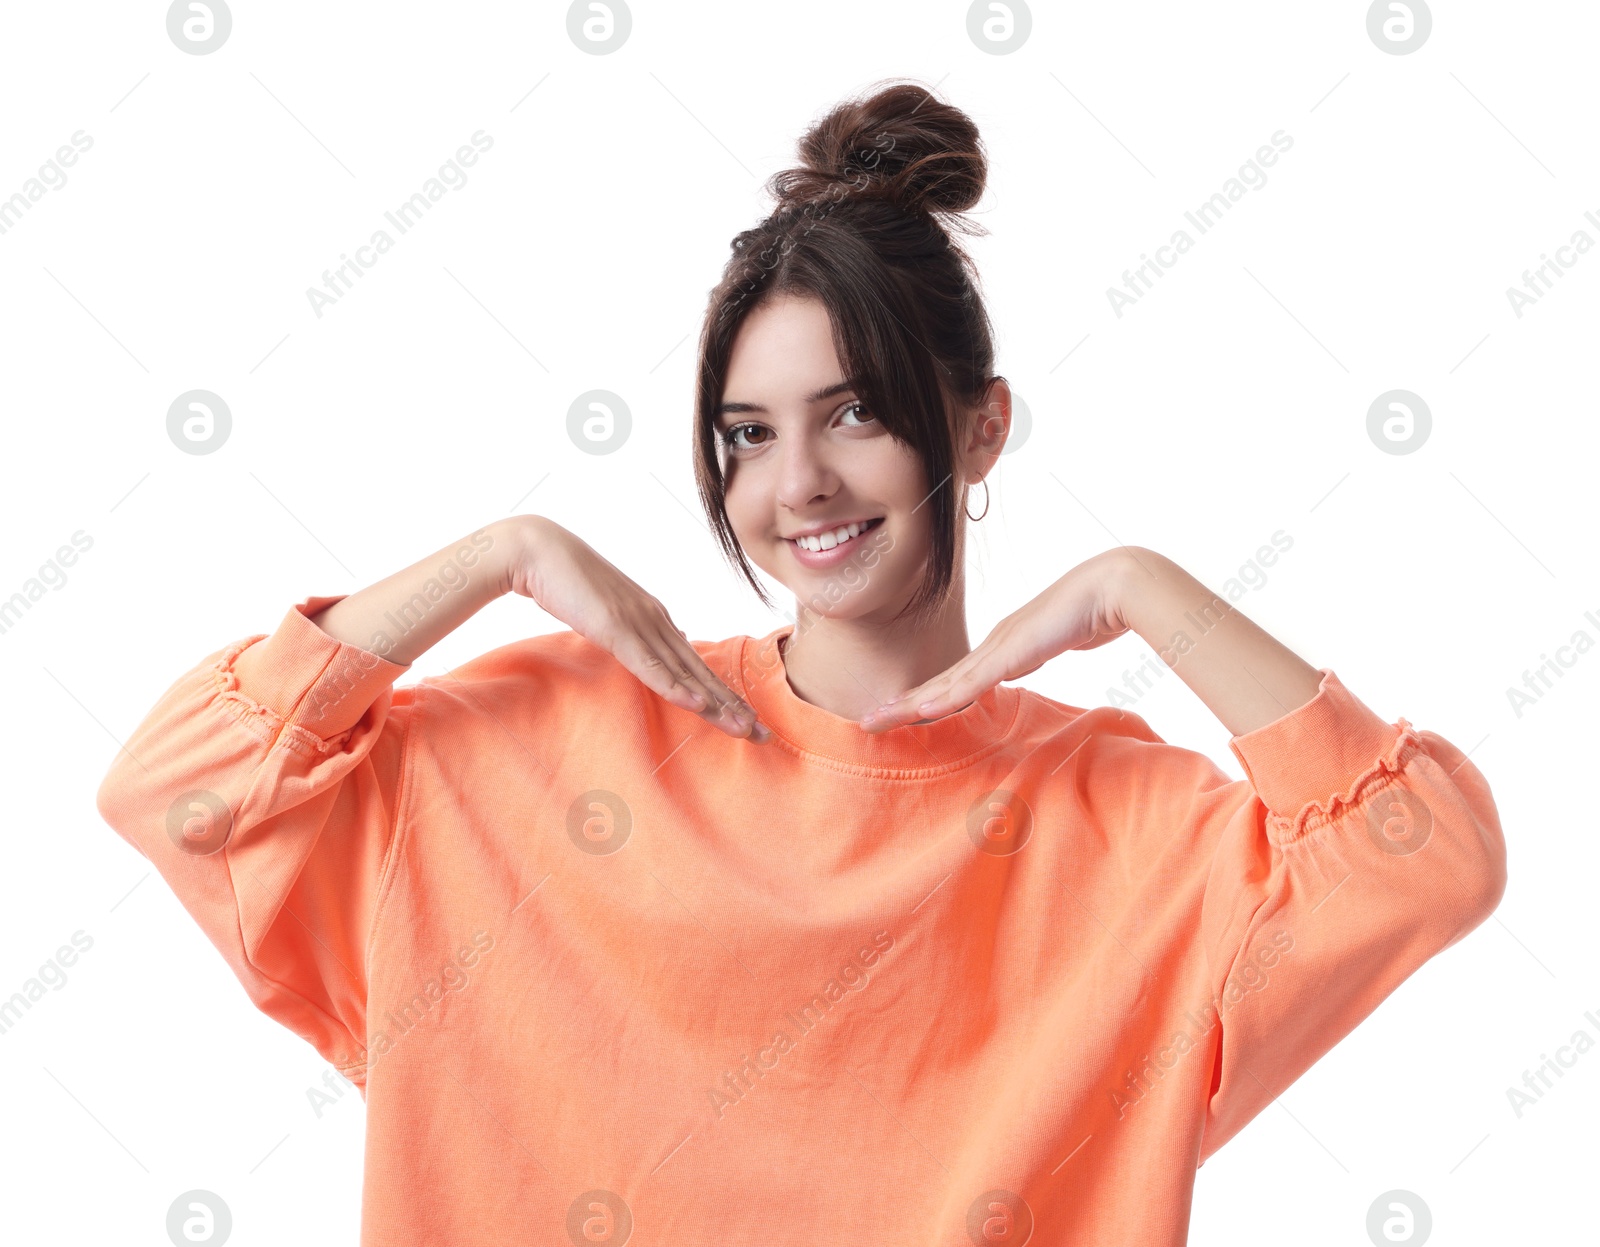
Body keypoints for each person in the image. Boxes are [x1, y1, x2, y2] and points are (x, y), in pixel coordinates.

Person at [96, 79, 1506, 1245]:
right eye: (747, 433)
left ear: (979, 427)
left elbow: (1426, 857)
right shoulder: (540, 737)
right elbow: (179, 788)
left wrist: (1148, 592)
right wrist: (493, 557)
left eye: (856, 414)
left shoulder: (1128, 825)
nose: (801, 486)